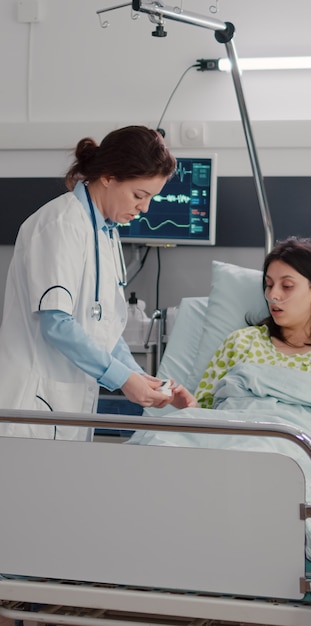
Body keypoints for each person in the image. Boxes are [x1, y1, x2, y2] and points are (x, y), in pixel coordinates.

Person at [0, 125, 195, 440]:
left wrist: (142, 379)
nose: (144, 208)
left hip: (67, 404)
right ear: (109, 176)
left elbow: (101, 328)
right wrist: (123, 380)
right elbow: (56, 323)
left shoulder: (106, 232)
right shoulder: (60, 225)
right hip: (32, 404)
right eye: (139, 195)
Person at [194, 237, 311, 415]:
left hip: (298, 440)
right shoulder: (241, 342)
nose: (273, 295)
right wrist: (188, 405)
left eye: (287, 286)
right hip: (232, 437)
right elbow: (203, 414)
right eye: (269, 285)